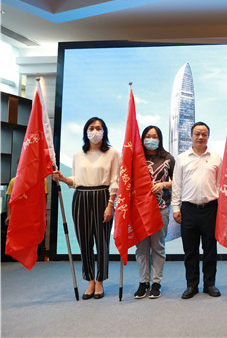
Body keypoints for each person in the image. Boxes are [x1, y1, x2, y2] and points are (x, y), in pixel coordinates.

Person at [52, 117, 119, 300]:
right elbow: (76, 180)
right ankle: (90, 280)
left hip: (103, 197)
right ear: (86, 131)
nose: (95, 131)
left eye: (99, 128)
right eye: (91, 128)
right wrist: (64, 179)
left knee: (102, 241)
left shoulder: (112, 153)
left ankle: (100, 281)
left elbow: (115, 180)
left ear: (104, 132)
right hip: (81, 197)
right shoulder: (77, 155)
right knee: (84, 241)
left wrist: (110, 204)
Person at [171, 122, 222, 299]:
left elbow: (220, 184)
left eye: (204, 134)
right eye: (197, 134)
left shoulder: (216, 158)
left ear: (208, 136)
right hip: (188, 209)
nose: (200, 137)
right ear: (191, 136)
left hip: (210, 209)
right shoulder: (182, 158)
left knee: (210, 250)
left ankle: (209, 284)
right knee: (190, 251)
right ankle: (191, 285)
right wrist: (175, 208)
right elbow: (177, 185)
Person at [133, 126, 175, 299]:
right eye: (148, 136)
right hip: (139, 209)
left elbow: (178, 181)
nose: (151, 139)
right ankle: (143, 282)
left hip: (160, 208)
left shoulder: (168, 158)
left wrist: (163, 185)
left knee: (158, 246)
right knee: (141, 247)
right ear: (142, 138)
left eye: (155, 136)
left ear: (160, 139)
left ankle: (156, 282)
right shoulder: (135, 158)